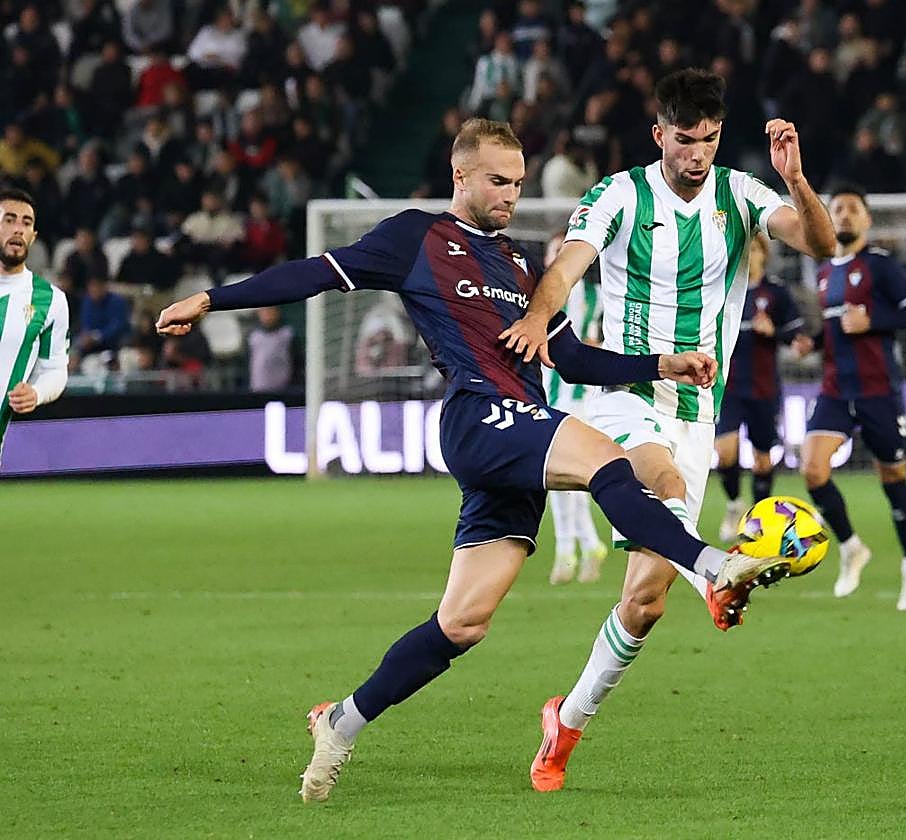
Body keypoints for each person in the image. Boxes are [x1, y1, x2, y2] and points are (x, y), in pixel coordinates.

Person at [155, 118, 799, 803]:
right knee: (608, 459)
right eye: (497, 180)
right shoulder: (414, 237)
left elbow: (571, 358)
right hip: (478, 416)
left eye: (518, 183)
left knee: (463, 624)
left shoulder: (519, 263)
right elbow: (314, 274)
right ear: (459, 176)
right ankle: (712, 566)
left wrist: (659, 363)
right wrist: (211, 297)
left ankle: (342, 720)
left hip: (514, 441)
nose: (510, 195)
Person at [499, 68, 836, 792]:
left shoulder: (742, 195)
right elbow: (567, 267)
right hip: (624, 387)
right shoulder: (620, 194)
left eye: (710, 140)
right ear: (660, 135)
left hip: (696, 408)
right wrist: (535, 316)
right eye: (685, 140)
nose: (697, 154)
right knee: (665, 482)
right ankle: (718, 573)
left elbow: (822, 243)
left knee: (644, 602)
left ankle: (567, 720)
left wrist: (797, 179)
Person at [796, 187, 906, 611]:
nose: (845, 216)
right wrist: (813, 342)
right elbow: (838, 330)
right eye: (837, 209)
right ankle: (851, 546)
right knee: (813, 470)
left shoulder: (880, 266)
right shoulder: (823, 273)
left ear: (868, 221)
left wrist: (874, 320)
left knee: (893, 479)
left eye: (854, 209)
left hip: (878, 391)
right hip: (836, 388)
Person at [715, 232, 807, 542]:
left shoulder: (776, 293)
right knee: (725, 453)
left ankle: (756, 518)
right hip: (728, 387)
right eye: (745, 249)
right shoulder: (723, 290)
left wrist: (775, 332)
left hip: (764, 387)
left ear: (763, 254)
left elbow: (796, 337)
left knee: (763, 459)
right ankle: (733, 504)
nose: (750, 255)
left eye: (755, 249)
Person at [541, 230, 608, 585]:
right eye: (552, 251)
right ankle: (574, 548)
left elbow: (601, 340)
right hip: (551, 396)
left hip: (581, 398)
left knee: (572, 476)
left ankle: (575, 548)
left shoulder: (593, 297)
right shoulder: (542, 298)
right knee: (557, 479)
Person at [0, 188, 70, 463]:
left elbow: (55, 369)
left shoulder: (50, 300)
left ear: (34, 236)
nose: (18, 229)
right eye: (9, 219)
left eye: (26, 223)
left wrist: (37, 393)